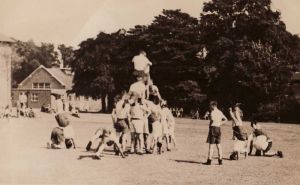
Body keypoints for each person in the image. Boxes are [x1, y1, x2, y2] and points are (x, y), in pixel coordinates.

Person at [204, 101, 228, 165]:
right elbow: (226, 119)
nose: (209, 107)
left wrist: (208, 115)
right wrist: (220, 123)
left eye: (210, 106)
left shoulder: (213, 112)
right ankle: (220, 160)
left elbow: (212, 119)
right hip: (218, 128)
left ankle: (209, 160)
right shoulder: (220, 112)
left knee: (211, 146)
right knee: (219, 145)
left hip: (213, 129)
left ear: (213, 106)